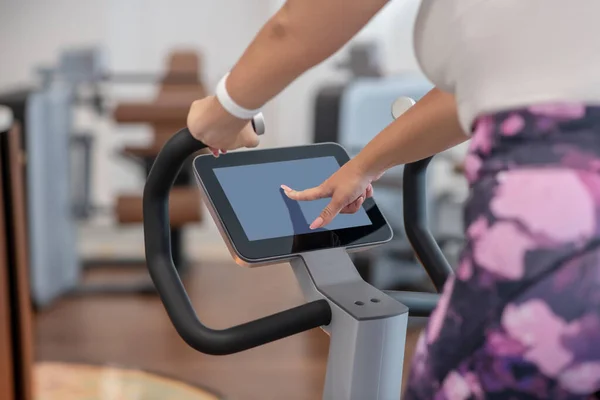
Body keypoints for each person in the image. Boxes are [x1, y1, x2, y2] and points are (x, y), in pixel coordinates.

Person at [187, 1, 600, 397]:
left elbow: (302, 20)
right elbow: (473, 92)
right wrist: (363, 165)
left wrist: (224, 109)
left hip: (561, 200)